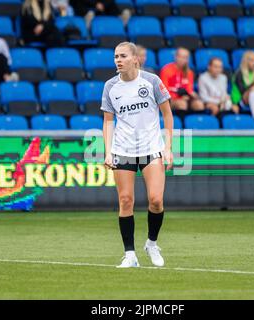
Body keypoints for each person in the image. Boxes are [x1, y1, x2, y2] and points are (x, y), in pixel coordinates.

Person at [101, 42, 173, 268]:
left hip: (152, 149)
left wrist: (168, 148)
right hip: (123, 150)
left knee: (156, 200)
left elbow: (168, 116)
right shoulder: (110, 86)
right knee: (125, 200)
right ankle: (130, 255)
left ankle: (152, 243)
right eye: (115, 56)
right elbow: (108, 121)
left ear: (135, 59)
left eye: (122, 56)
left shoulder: (152, 82)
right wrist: (108, 151)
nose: (118, 60)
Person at [160, 47, 205, 117]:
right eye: (180, 56)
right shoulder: (166, 70)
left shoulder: (189, 72)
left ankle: (196, 124)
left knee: (199, 104)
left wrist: (191, 95)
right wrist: (178, 97)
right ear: (175, 57)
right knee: (182, 104)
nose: (182, 59)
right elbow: (164, 91)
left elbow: (189, 89)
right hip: (170, 100)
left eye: (185, 57)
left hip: (185, 98)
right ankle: (181, 125)